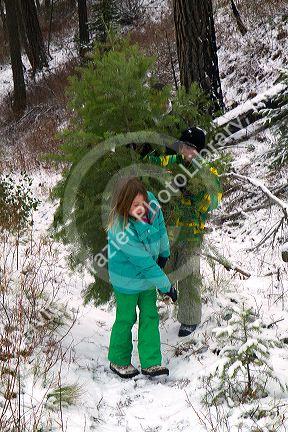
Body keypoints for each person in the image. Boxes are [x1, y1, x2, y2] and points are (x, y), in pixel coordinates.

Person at [143, 127, 223, 337]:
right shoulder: (173, 163)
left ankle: (189, 319)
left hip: (191, 233)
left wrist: (194, 192)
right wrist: (147, 151)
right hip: (168, 230)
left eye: (191, 148)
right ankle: (157, 306)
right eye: (184, 146)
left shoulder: (207, 171)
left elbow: (214, 199)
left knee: (188, 275)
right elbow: (151, 166)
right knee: (161, 268)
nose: (186, 151)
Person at [106, 177, 177, 379]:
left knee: (150, 316)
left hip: (146, 279)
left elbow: (161, 228)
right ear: (124, 206)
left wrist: (164, 253)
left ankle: (151, 362)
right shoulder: (120, 230)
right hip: (126, 280)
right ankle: (118, 360)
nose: (140, 208)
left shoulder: (152, 205)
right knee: (126, 318)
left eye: (142, 203)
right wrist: (166, 286)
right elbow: (144, 263)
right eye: (134, 205)